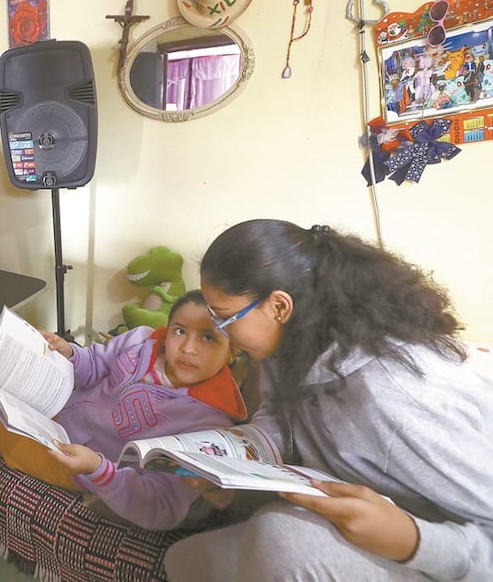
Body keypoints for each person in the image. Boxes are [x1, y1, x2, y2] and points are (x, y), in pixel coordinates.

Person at [164, 220, 493, 582]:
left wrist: (411, 540)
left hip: (446, 553)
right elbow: (284, 418)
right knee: (186, 561)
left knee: (280, 539)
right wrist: (243, 446)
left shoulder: (398, 400)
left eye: (224, 318)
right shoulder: (288, 347)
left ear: (278, 306)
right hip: (383, 524)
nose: (220, 330)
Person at [0, 290, 248, 553]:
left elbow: (162, 505)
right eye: (180, 331)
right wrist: (69, 352)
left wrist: (97, 469)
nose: (189, 348)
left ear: (233, 350)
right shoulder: (143, 341)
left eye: (209, 338)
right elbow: (97, 362)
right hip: (62, 410)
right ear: (168, 328)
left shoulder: (208, 424)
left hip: (78, 458)